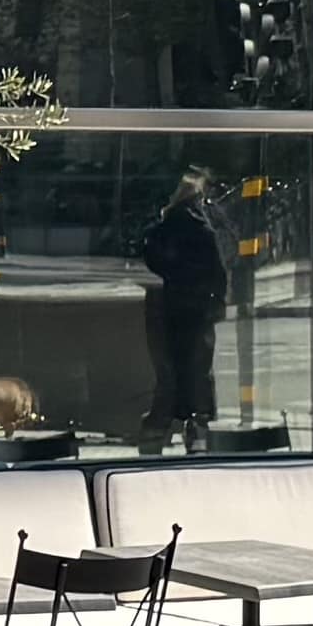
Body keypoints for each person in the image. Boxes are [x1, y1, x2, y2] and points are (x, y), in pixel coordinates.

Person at [139, 168, 231, 444]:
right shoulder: (201, 223)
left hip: (178, 301)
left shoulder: (171, 223)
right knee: (199, 364)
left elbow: (152, 255)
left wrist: (172, 274)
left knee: (176, 363)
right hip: (200, 305)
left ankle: (175, 419)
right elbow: (218, 267)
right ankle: (197, 419)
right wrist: (218, 299)